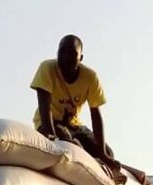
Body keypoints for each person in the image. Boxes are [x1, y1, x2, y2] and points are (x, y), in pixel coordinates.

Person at [30, 34, 115, 165]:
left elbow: (96, 116)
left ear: (80, 58)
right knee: (71, 147)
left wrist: (102, 153)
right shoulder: (47, 69)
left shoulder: (90, 78)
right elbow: (44, 106)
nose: (65, 57)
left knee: (109, 154)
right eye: (62, 51)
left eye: (72, 53)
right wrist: (52, 138)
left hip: (74, 125)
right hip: (50, 123)